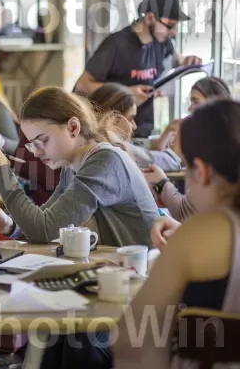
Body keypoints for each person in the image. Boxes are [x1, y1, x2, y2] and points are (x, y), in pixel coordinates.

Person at [113, 99, 240, 368]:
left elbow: (130, 342)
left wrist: (186, 240)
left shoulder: (198, 236)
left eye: (185, 168)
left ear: (202, 172)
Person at [0, 86, 159, 247]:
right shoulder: (71, 167)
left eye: (42, 141)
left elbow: (43, 229)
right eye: (32, 145)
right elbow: (45, 222)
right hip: (115, 269)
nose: (36, 153)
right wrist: (10, 225)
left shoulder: (106, 161)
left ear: (73, 127)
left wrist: (2, 175)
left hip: (143, 273)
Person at [74, 0, 202, 138]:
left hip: (142, 132)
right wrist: (126, 93)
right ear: (150, 18)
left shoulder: (161, 41)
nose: (173, 32)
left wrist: (186, 61)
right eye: (170, 26)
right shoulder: (116, 45)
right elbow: (82, 85)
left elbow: (174, 57)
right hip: (113, 135)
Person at [143, 76, 232, 222]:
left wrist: (162, 183)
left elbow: (185, 212)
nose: (189, 108)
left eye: (195, 101)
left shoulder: (214, 153)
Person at [90, 82, 183, 171]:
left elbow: (142, 151)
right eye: (130, 119)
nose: (134, 126)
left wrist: (167, 133)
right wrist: (178, 146)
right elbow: (169, 162)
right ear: (112, 120)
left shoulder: (89, 142)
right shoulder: (116, 148)